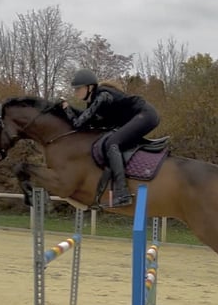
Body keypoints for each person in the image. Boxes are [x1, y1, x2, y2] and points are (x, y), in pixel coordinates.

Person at [61, 68, 160, 207]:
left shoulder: (102, 96)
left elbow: (79, 123)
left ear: (90, 87)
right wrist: (68, 109)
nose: (75, 91)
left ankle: (123, 193)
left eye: (78, 88)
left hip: (145, 114)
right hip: (139, 117)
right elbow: (86, 119)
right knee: (108, 141)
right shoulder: (94, 101)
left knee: (112, 143)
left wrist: (66, 109)